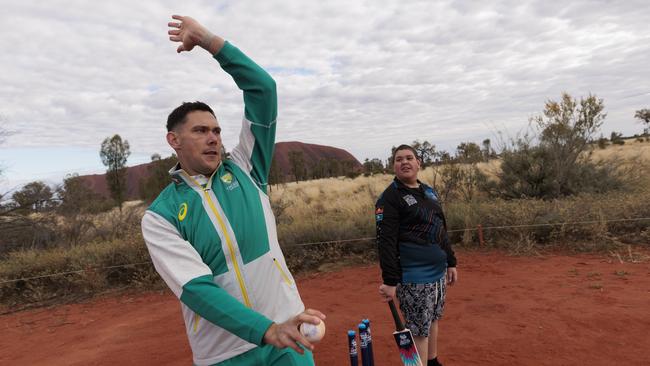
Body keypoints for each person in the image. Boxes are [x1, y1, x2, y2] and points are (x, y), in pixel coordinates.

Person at [141, 15, 325, 366]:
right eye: (200, 131)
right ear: (174, 140)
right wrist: (264, 328)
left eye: (216, 130)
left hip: (287, 336)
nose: (213, 137)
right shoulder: (159, 216)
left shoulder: (246, 167)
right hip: (223, 354)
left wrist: (210, 41)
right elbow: (196, 289)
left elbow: (263, 89)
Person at [376, 144, 458, 366]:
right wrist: (390, 281)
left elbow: (441, 227)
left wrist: (450, 261)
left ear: (418, 163)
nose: (404, 162)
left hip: (437, 274)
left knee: (432, 320)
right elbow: (386, 241)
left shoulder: (429, 191)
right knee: (417, 330)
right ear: (393, 166)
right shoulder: (390, 198)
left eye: (409, 158)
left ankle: (432, 362)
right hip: (414, 277)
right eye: (399, 159)